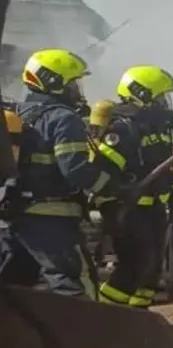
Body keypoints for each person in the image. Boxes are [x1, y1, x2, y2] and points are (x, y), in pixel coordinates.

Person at [9, 48, 119, 298]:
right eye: (72, 83)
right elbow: (76, 170)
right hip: (51, 219)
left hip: (13, 216)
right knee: (76, 285)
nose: (77, 90)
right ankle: (89, 336)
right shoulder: (63, 118)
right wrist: (111, 187)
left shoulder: (19, 114)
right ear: (53, 83)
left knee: (13, 289)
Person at [92, 65, 173, 309]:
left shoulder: (159, 128)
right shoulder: (123, 129)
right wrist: (123, 191)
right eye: (160, 97)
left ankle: (139, 317)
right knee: (133, 266)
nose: (164, 103)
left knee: (152, 267)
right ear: (142, 95)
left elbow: (163, 169)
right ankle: (103, 317)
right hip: (127, 210)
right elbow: (104, 170)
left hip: (153, 208)